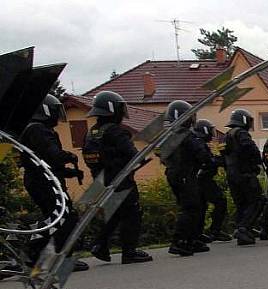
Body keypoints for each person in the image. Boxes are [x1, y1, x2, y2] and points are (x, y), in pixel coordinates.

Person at [19, 94, 89, 271]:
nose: (57, 116)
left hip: (41, 179)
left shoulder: (33, 129)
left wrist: (69, 172)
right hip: (43, 181)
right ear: (45, 111)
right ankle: (50, 257)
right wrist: (69, 156)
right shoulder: (38, 130)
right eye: (55, 111)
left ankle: (36, 256)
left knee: (55, 219)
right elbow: (51, 155)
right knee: (64, 219)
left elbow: (44, 161)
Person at [82, 90, 152, 264]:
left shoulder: (92, 132)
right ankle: (129, 252)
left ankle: (100, 245)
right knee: (131, 215)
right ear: (114, 110)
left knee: (113, 215)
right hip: (120, 181)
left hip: (100, 181)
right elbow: (133, 155)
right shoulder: (116, 131)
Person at [161, 100, 209, 257]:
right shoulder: (186, 136)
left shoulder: (169, 135)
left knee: (191, 207)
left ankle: (191, 240)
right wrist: (211, 161)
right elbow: (202, 155)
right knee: (191, 208)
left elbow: (162, 156)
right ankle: (179, 241)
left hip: (173, 174)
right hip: (185, 175)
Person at [222, 108, 263, 246]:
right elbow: (250, 148)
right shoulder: (241, 133)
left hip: (232, 174)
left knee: (242, 203)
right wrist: (256, 162)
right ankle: (244, 227)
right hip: (244, 173)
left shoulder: (227, 135)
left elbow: (223, 155)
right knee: (257, 200)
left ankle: (243, 229)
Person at [193, 119, 232, 243]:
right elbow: (207, 161)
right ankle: (215, 231)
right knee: (220, 201)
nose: (212, 133)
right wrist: (221, 161)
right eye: (210, 130)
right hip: (203, 179)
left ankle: (199, 233)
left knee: (201, 206)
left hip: (199, 180)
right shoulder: (199, 144)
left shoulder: (199, 143)